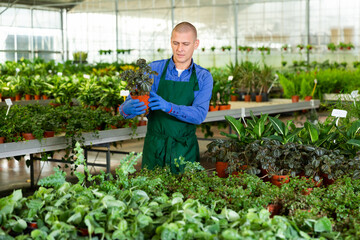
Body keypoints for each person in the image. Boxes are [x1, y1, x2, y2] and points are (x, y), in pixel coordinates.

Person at [119, 21, 213, 173]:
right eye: (176, 43)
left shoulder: (203, 77)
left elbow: (199, 115)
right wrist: (126, 109)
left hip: (184, 149)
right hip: (155, 148)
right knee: (151, 193)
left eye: (185, 44)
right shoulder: (154, 70)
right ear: (171, 42)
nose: (180, 49)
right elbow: (128, 106)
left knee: (184, 194)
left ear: (196, 44)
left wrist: (168, 107)